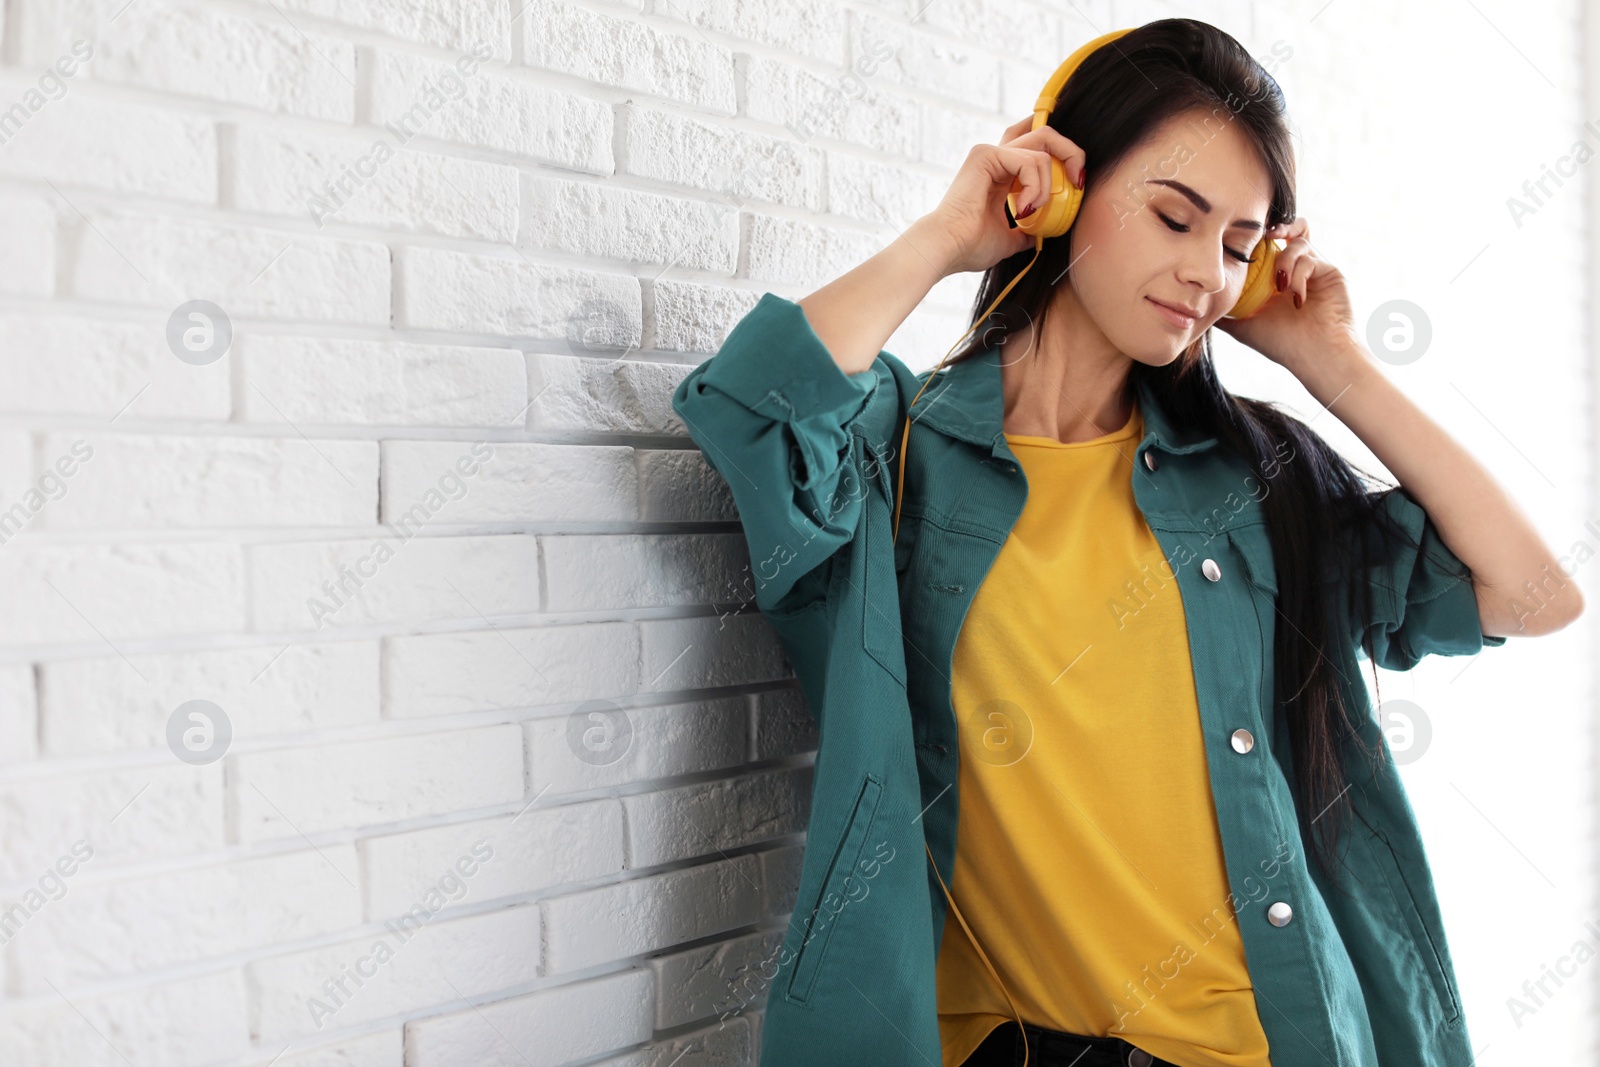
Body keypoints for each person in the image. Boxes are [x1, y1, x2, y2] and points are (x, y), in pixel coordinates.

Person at [671, 17, 1581, 1067]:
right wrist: (947, 237)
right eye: (1173, 217)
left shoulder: (1253, 482)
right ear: (1063, 194)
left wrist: (1331, 367)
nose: (1204, 272)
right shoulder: (899, 456)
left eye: (1236, 246)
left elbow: (1531, 593)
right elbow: (748, 406)